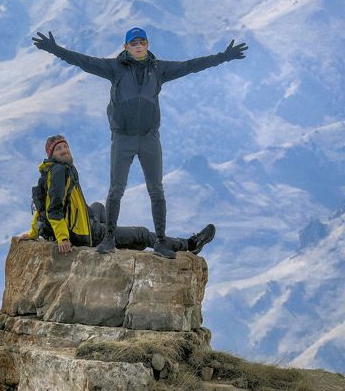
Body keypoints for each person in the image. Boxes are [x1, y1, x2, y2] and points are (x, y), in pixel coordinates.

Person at [31, 27, 246, 257]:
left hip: (149, 137)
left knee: (141, 194)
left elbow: (190, 66)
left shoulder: (158, 69)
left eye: (141, 42)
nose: (138, 46)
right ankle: (184, 244)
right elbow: (83, 61)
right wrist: (55, 50)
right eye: (133, 43)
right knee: (122, 199)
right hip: (123, 139)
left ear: (147, 44)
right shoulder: (115, 68)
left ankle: (157, 239)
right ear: (126, 47)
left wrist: (223, 57)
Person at [17, 134, 215, 258]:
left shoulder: (56, 170)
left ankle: (117, 238)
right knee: (142, 234)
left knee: (99, 207)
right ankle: (189, 245)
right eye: (59, 149)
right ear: (51, 155)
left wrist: (34, 233)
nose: (64, 150)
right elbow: (53, 209)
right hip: (85, 234)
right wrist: (62, 239)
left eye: (66, 146)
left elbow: (41, 207)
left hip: (85, 221)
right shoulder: (59, 172)